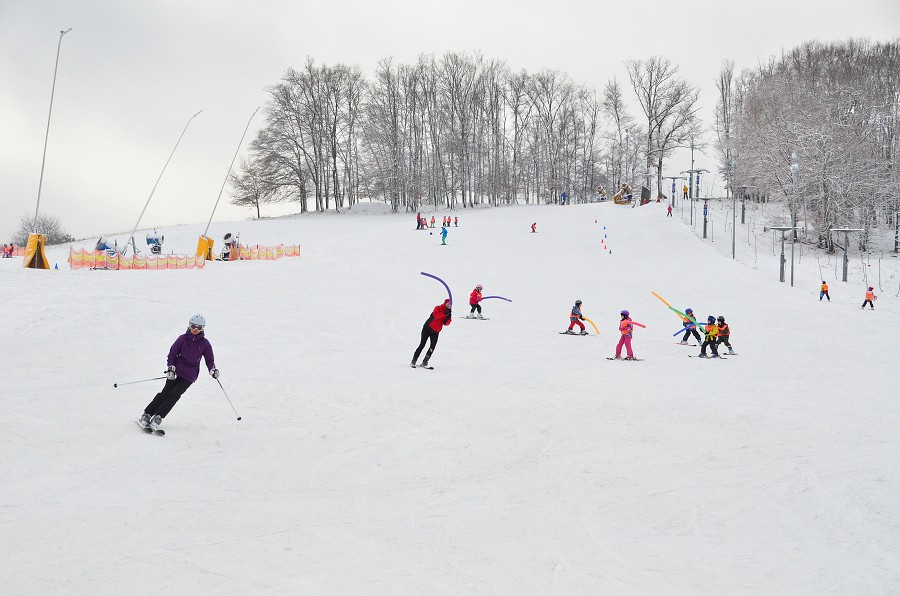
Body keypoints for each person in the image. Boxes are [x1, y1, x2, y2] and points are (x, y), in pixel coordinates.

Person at [139, 315, 219, 431]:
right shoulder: (182, 339)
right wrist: (171, 368)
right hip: (176, 372)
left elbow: (209, 360)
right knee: (165, 392)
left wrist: (212, 370)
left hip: (189, 376)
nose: (196, 329)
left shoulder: (205, 344)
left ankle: (158, 417)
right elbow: (172, 354)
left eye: (199, 327)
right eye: (193, 326)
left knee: (175, 395)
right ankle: (146, 414)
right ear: (189, 325)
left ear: (202, 329)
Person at [412, 299, 452, 367]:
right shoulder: (438, 308)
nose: (449, 304)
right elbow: (436, 315)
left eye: (450, 303)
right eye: (448, 303)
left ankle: (425, 361)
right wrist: (444, 313)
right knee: (422, 345)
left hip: (436, 332)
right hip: (427, 328)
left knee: (432, 347)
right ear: (445, 303)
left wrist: (449, 317)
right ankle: (414, 360)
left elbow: (446, 324)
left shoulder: (448, 312)